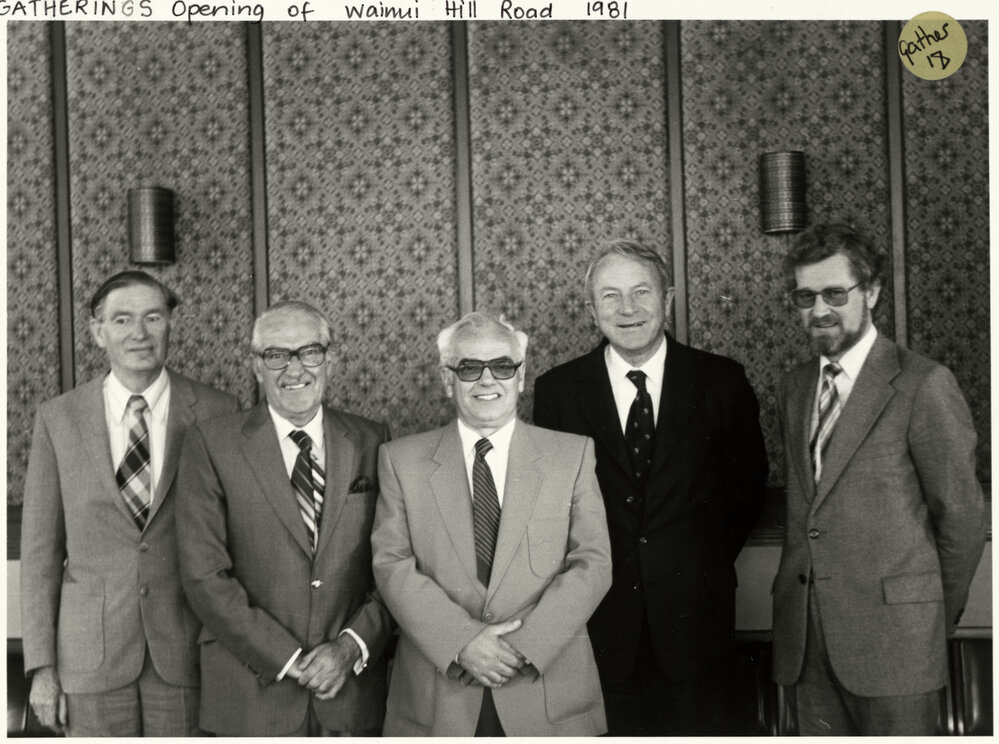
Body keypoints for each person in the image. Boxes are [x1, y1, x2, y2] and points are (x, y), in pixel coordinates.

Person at [533, 239, 768, 735]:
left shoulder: (721, 381)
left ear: (669, 299)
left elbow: (745, 492)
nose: (628, 309)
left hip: (695, 621)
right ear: (591, 309)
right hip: (597, 623)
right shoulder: (558, 392)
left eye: (642, 292)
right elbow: (552, 510)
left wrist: (689, 564)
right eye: (611, 296)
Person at [771, 222, 986, 735]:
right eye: (805, 296)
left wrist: (926, 618)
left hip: (899, 646)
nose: (819, 309)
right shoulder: (794, 387)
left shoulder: (924, 384)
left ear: (871, 292)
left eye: (835, 293)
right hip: (805, 643)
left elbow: (962, 520)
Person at [371, 312, 612, 736]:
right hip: (439, 699)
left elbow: (593, 563)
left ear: (520, 377)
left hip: (544, 692)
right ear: (447, 380)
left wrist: (522, 648)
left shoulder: (571, 456)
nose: (487, 380)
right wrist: (461, 642)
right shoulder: (400, 460)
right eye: (469, 368)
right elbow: (391, 564)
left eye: (502, 366)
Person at [20, 270, 238, 736]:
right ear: (98, 332)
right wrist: (42, 668)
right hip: (87, 658)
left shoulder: (219, 411)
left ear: (169, 325)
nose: (138, 333)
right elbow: (39, 554)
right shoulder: (58, 419)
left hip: (187, 650)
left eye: (152, 317)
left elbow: (237, 541)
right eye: (122, 320)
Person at [176, 300, 393, 736]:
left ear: (329, 359)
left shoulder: (373, 440)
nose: (295, 369)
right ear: (257, 367)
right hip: (252, 695)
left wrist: (350, 649)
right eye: (276, 355)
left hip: (348, 696)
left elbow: (395, 565)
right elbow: (204, 576)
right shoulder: (212, 444)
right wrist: (288, 659)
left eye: (309, 352)